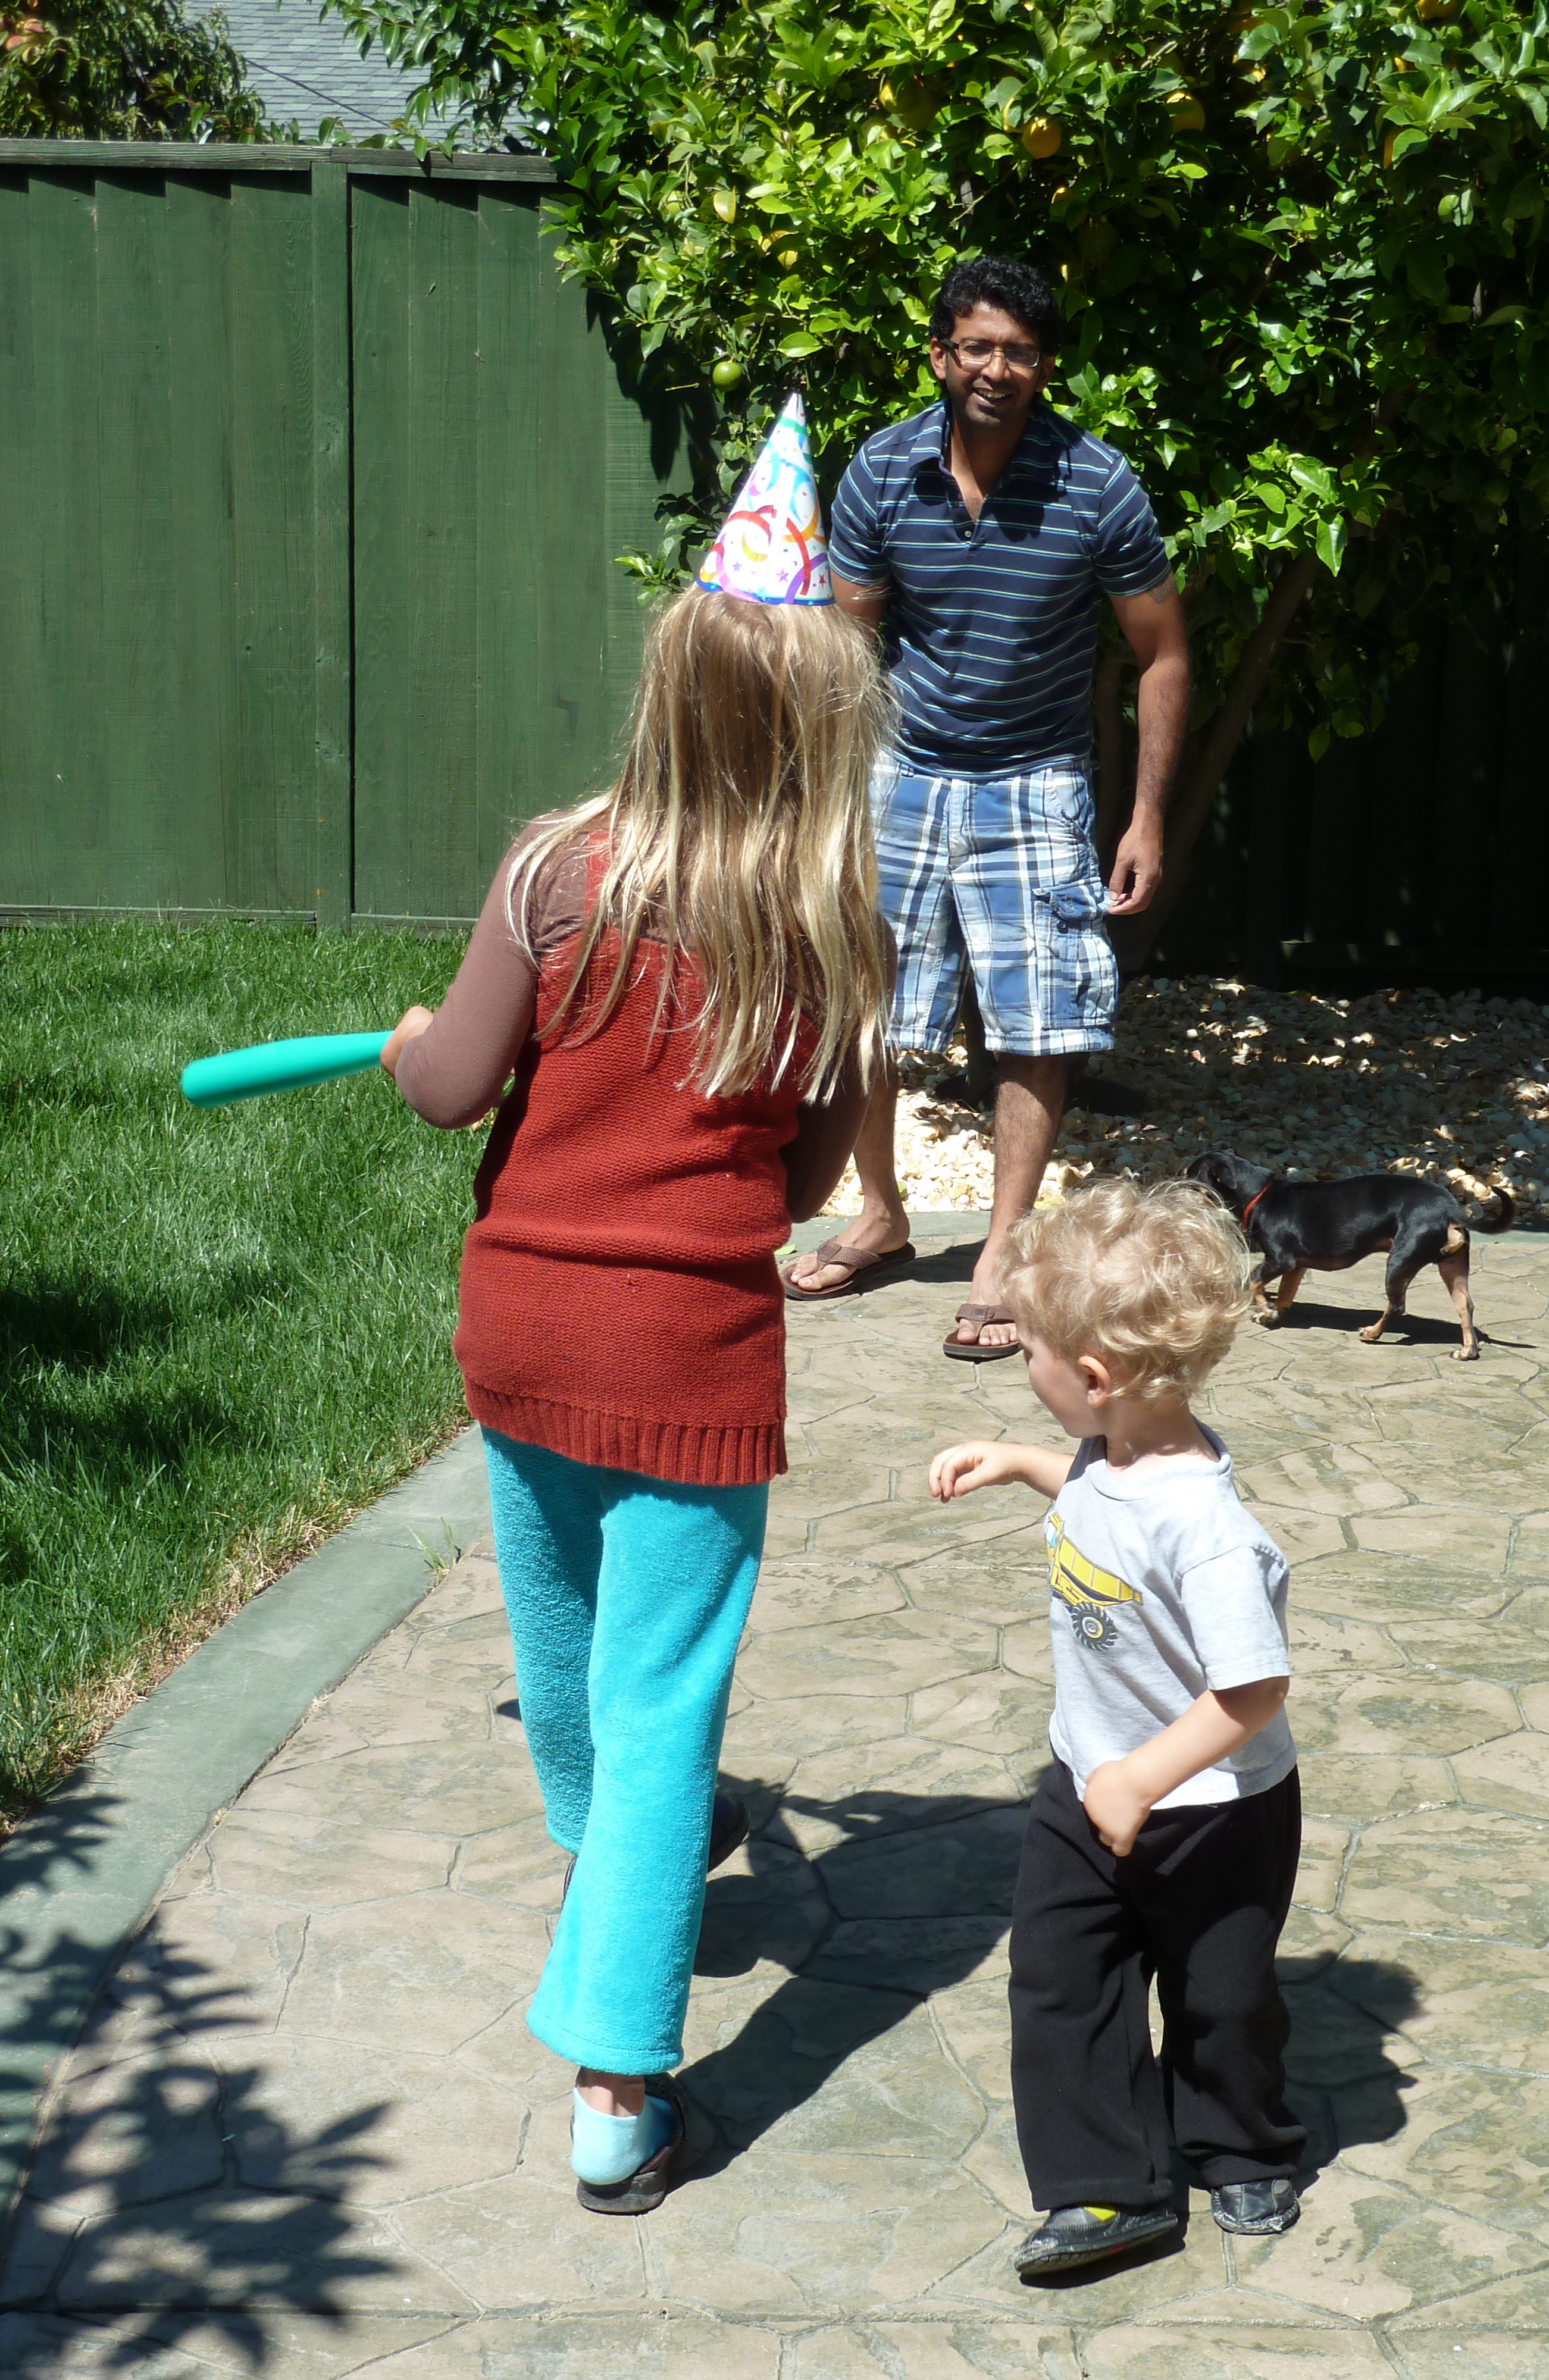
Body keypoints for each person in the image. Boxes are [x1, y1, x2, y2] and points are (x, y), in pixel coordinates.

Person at [380, 474, 890, 2214]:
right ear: (825, 726)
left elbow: (451, 1090)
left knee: (569, 1654)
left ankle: (612, 1878)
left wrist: (410, 1044)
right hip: (691, 1359)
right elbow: (803, 1183)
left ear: (667, 685)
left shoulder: (553, 868)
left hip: (524, 1333)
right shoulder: (836, 924)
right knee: (660, 1701)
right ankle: (616, 2085)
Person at [784, 253, 1190, 1358]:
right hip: (901, 771)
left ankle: (1004, 1251)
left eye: (1018, 352)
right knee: (865, 1011)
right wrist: (823, 800)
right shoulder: (881, 471)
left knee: (1035, 1022)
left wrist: (1145, 818)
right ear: (940, 355)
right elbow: (847, 649)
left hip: (1037, 779)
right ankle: (879, 1213)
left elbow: (1162, 653)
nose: (995, 370)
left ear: (1044, 366)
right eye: (976, 347)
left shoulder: (1096, 485)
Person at [928, 1180, 1305, 2278]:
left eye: (1030, 1351)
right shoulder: (1112, 1455)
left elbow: (1252, 1692)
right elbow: (1103, 1507)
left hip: (1215, 1810)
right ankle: (1104, 2186)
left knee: (1219, 1996)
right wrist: (1022, 1462)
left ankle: (1241, 2146)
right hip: (1085, 1780)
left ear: (1093, 1379)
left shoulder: (1211, 1533)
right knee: (1062, 1980)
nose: (1023, 1366)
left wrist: (1141, 1779)